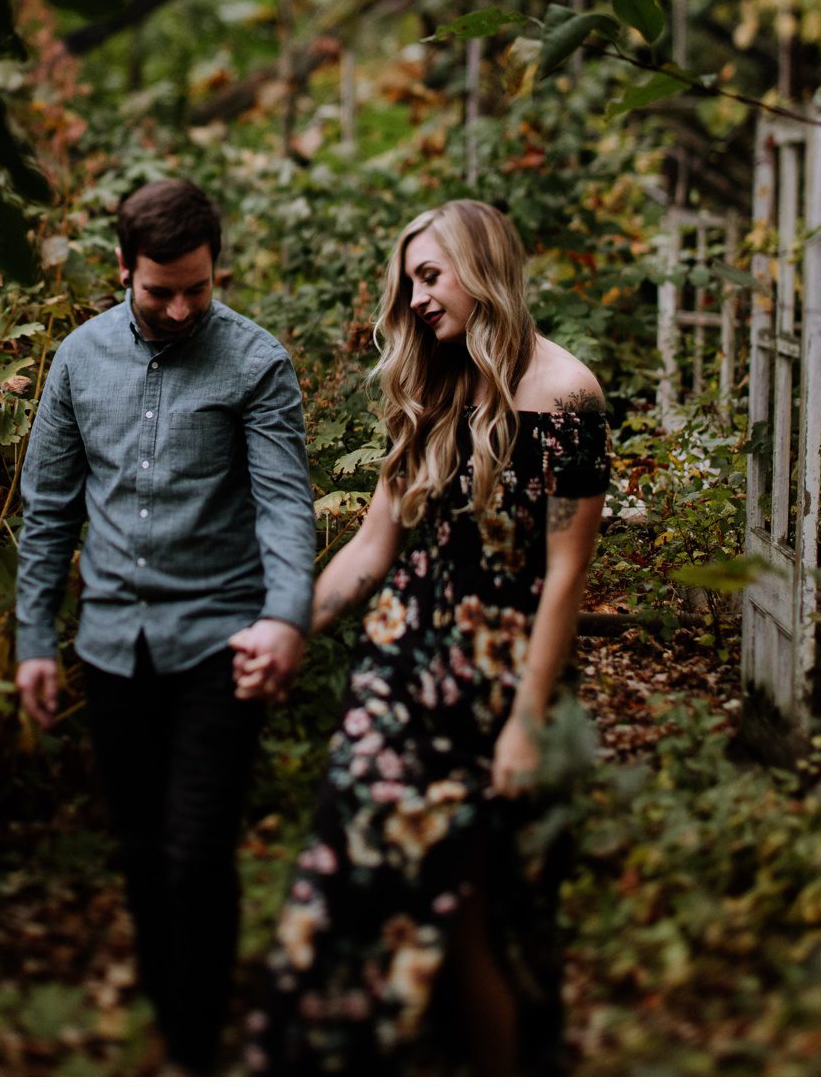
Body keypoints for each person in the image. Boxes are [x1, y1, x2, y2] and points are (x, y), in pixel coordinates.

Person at [241, 199, 611, 1074]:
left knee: (477, 914)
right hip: (397, 680)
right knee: (348, 884)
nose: (415, 299)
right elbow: (372, 550)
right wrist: (283, 626)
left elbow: (564, 577)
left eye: (430, 276)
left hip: (498, 690)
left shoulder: (570, 396)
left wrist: (525, 720)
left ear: (482, 270)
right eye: (409, 281)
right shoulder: (434, 387)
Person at [14, 177, 317, 1073]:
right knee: (143, 853)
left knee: (196, 852)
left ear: (216, 268)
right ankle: (170, 1003)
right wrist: (34, 639)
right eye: (160, 291)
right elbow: (47, 511)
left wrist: (285, 619)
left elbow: (285, 508)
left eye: (198, 286)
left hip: (219, 645)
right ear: (123, 271)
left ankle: (196, 1045)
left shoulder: (256, 364)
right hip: (110, 647)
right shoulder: (77, 360)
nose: (181, 307)